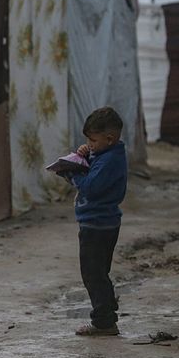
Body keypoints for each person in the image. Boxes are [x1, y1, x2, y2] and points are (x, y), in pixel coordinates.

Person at [54, 106, 128, 337]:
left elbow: (90, 187)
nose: (90, 143)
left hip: (97, 225)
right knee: (99, 272)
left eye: (93, 140)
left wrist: (71, 173)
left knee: (92, 274)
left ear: (110, 138)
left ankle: (104, 322)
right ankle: (106, 306)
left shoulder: (110, 161)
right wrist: (85, 154)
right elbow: (94, 169)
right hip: (103, 223)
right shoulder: (107, 154)